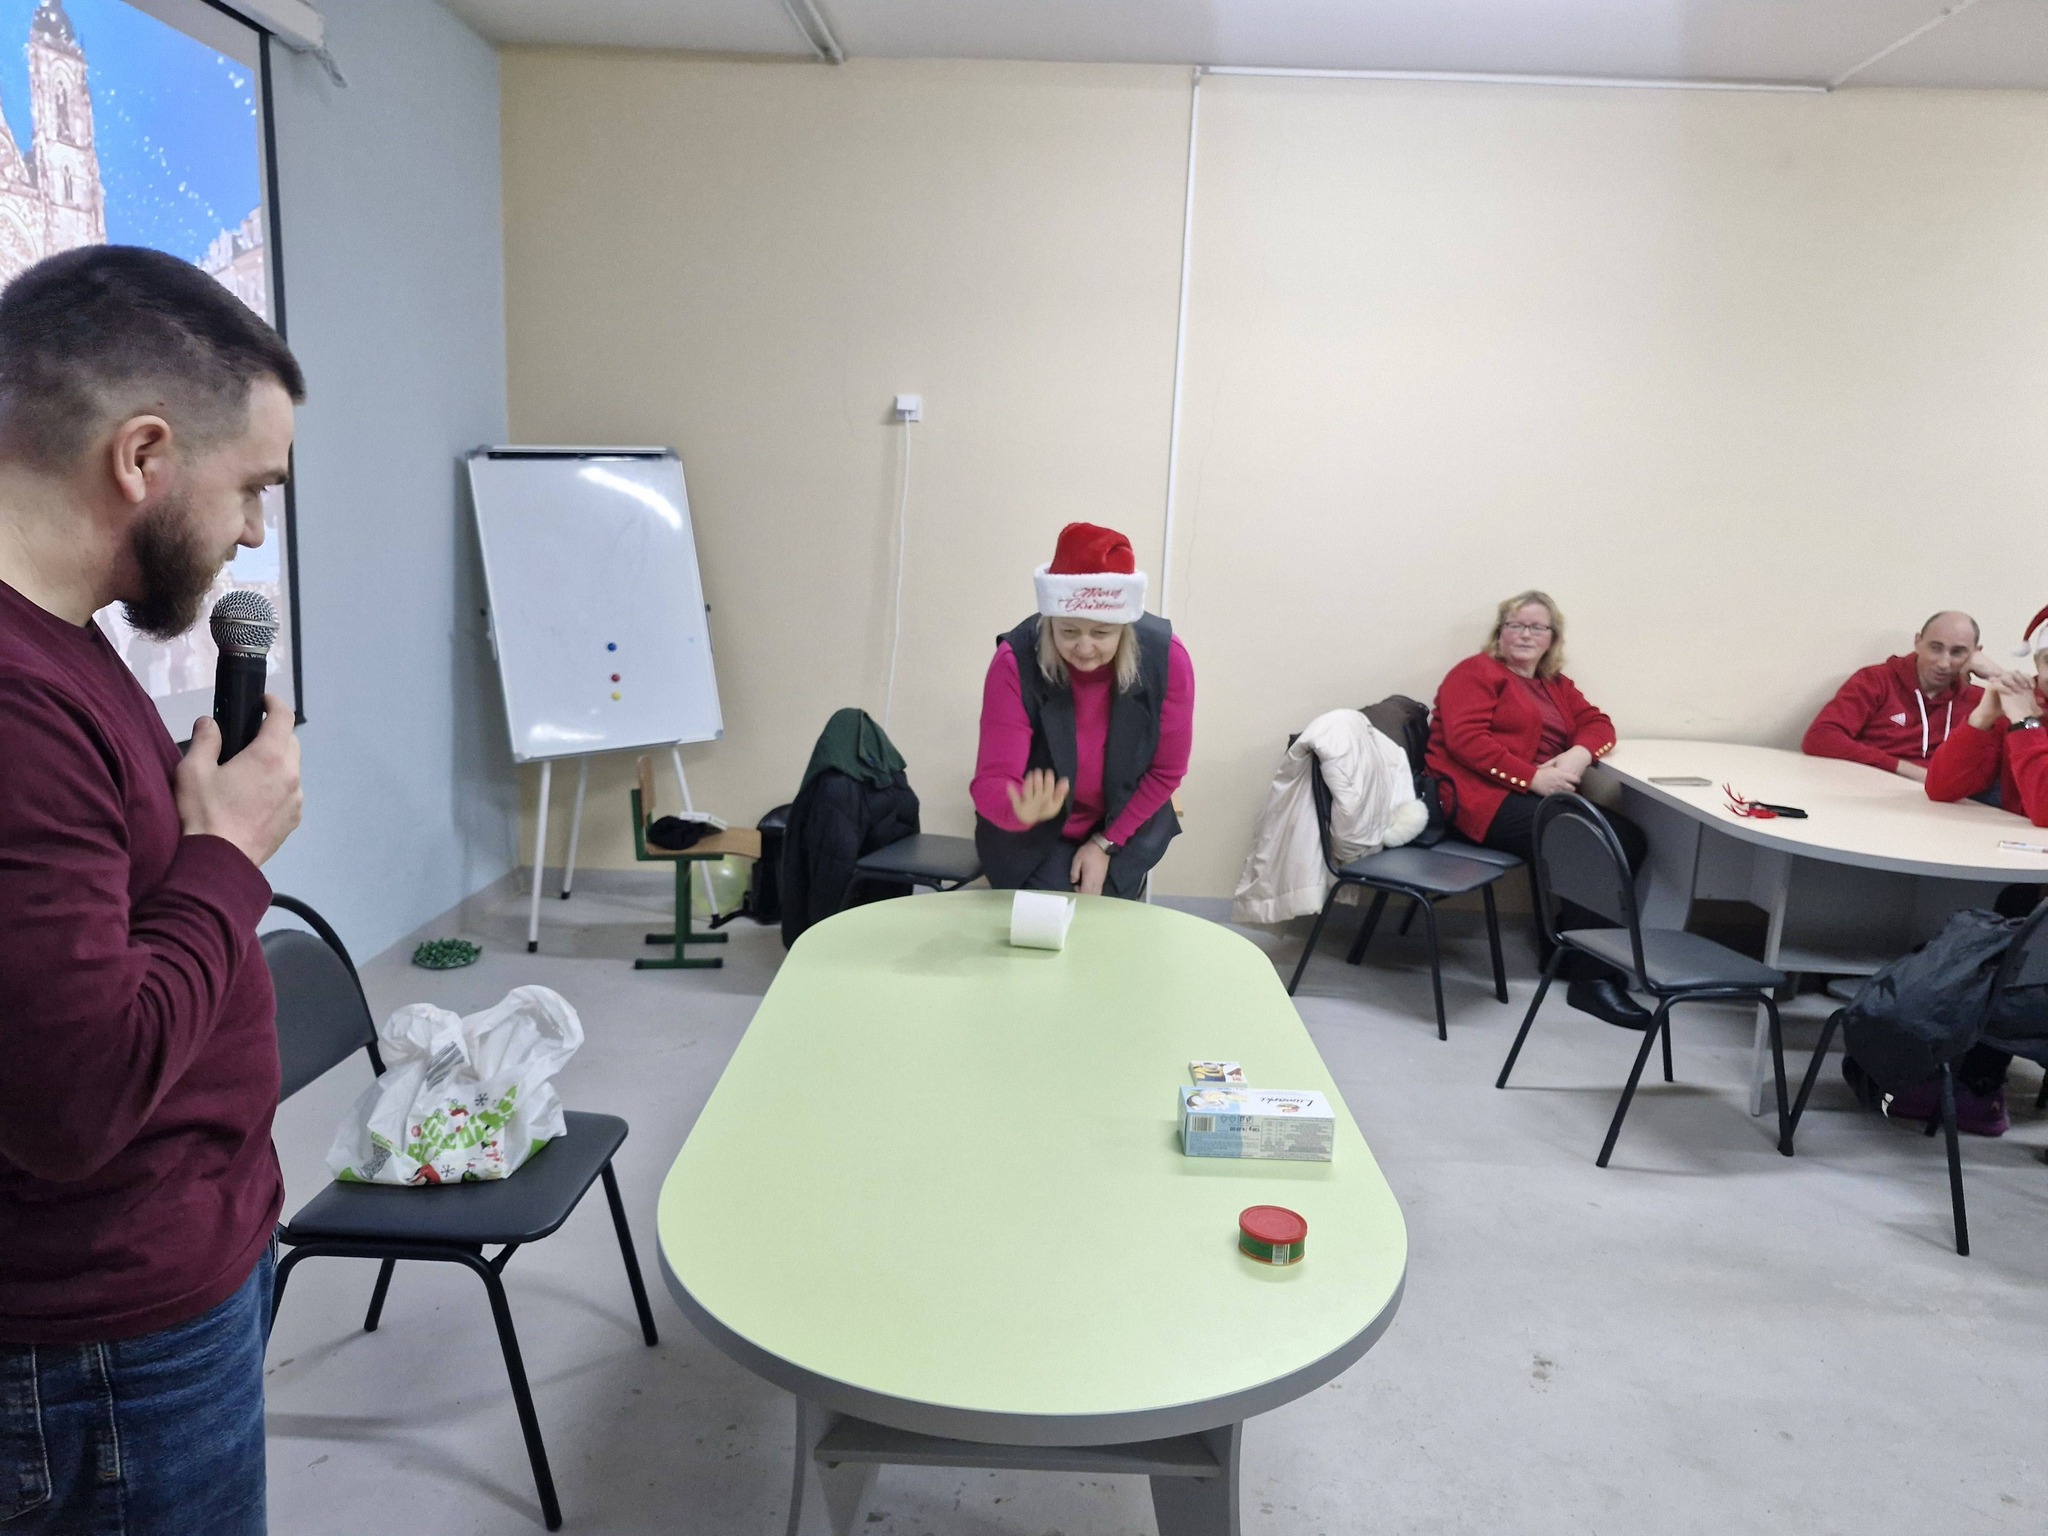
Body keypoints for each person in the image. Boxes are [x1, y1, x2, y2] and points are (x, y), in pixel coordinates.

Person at [0, 247, 305, 1534]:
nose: (253, 533)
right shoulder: (17, 699)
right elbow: (74, 1098)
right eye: (253, 488)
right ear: (142, 456)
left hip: (155, 1281)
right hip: (104, 1347)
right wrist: (228, 856)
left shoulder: (60, 641)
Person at [1426, 590, 1652, 1029]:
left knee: (1630, 838)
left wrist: (1579, 755)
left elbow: (1599, 723)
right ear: (1500, 633)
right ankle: (1592, 979)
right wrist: (1530, 778)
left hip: (1530, 795)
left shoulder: (1554, 683)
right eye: (1516, 625)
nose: (1525, 634)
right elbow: (1466, 740)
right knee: (1587, 843)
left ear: (1552, 638)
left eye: (1537, 627)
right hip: (1477, 800)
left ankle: (1566, 944)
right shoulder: (1474, 673)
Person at [1883, 604, 2048, 1136]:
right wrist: (1984, 718)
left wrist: (2024, 724)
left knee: (2017, 932)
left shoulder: (2031, 718)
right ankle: (1960, 1075)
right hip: (2031, 878)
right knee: (2004, 924)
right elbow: (1942, 787)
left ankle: (1978, 1086)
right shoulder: (2029, 709)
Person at [971, 522, 1193, 898]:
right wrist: (1017, 809)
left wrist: (1105, 843)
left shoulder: (1166, 659)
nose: (1085, 648)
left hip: (1126, 822)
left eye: (1102, 633)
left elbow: (1166, 770)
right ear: (1049, 622)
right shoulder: (1015, 661)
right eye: (1069, 631)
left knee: (1108, 917)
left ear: (1126, 627)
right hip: (1034, 833)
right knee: (1050, 915)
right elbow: (991, 779)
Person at [1801, 611, 1989, 781]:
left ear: (1976, 654)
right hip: (1871, 784)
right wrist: (1908, 770)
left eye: (1957, 652)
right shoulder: (1876, 680)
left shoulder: (1982, 701)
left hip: (1944, 798)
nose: (1943, 663)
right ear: (1918, 642)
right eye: (1935, 648)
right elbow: (1820, 738)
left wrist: (1996, 676)